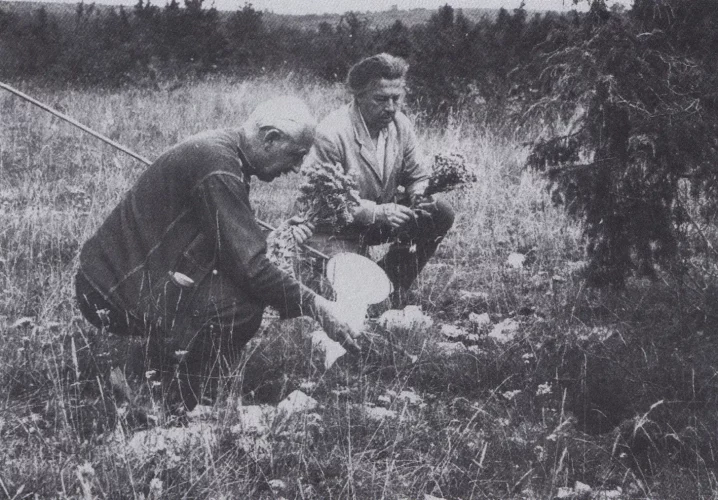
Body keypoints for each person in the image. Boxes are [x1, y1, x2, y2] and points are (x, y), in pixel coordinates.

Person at [75, 96, 358, 414]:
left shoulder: (224, 151)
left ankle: (175, 380)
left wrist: (277, 238)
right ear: (270, 138)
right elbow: (250, 268)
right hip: (110, 292)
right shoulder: (220, 169)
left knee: (232, 291)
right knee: (240, 305)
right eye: (295, 155)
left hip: (118, 277)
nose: (296, 168)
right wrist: (319, 306)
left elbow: (225, 247)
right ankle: (150, 383)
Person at [303, 53, 455, 306]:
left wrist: (420, 194)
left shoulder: (400, 125)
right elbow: (323, 201)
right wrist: (377, 212)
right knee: (357, 297)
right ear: (358, 96)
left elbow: (417, 174)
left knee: (439, 212)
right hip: (335, 230)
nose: (391, 107)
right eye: (381, 99)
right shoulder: (331, 133)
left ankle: (393, 283)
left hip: (380, 219)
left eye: (397, 98)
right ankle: (357, 282)